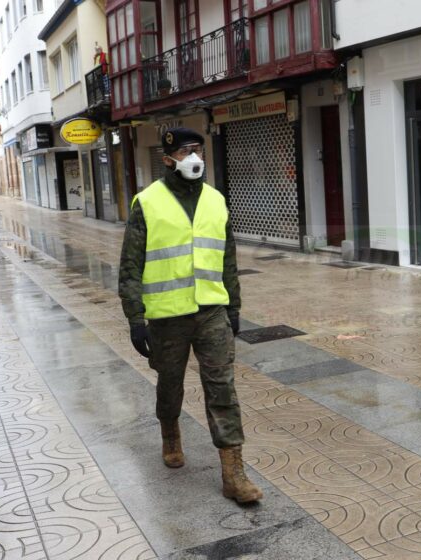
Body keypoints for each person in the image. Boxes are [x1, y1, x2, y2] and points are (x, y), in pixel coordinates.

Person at [118, 127, 262, 503]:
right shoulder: (147, 202)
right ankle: (170, 432)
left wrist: (233, 307)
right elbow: (130, 267)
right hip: (167, 318)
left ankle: (234, 474)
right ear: (167, 160)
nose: (193, 157)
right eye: (185, 152)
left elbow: (228, 258)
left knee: (222, 389)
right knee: (171, 384)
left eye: (197, 150)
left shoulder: (216, 200)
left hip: (211, 310)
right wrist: (136, 318)